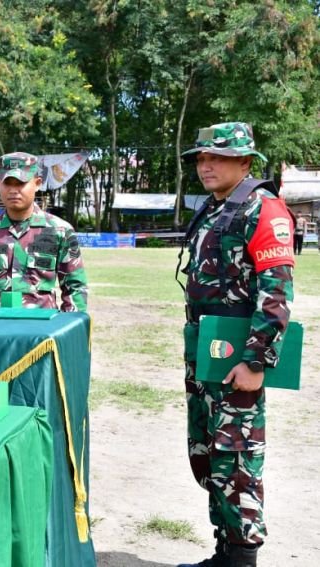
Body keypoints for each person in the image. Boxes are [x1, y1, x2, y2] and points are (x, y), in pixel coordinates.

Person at [177, 122, 294, 567]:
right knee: (210, 451)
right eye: (201, 159)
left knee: (238, 455)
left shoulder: (263, 209)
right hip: (207, 353)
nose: (205, 165)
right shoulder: (214, 208)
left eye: (217, 157)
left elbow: (276, 292)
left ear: (245, 162)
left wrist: (257, 360)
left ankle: (243, 559)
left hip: (237, 361)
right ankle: (224, 552)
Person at [0, 151, 88, 311]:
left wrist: (68, 329)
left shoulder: (60, 231)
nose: (13, 190)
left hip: (42, 330)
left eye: (21, 183)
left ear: (37, 183)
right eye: (8, 183)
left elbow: (75, 289)